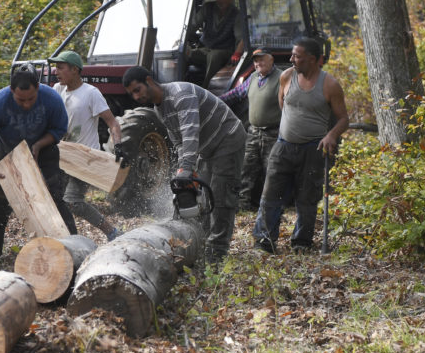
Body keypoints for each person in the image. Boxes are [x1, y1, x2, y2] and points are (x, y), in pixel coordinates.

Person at [122, 66, 246, 261]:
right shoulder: (160, 108)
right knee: (203, 197)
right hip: (206, 148)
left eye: (137, 90)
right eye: (132, 94)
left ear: (149, 80)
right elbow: (179, 142)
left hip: (227, 138)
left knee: (221, 196)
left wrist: (187, 168)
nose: (136, 97)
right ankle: (202, 242)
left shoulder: (181, 94)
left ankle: (217, 254)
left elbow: (190, 133)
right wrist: (184, 169)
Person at [252, 37, 349, 254]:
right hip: (283, 146)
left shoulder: (330, 85)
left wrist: (331, 135)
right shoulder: (287, 77)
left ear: (313, 60)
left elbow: (344, 119)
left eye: (297, 56)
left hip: (313, 149)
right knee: (270, 195)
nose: (291, 59)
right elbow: (282, 104)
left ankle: (301, 242)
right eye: (293, 55)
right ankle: (264, 241)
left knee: (307, 198)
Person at [0, 67, 78, 259]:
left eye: (31, 99)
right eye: (21, 100)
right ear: (12, 90)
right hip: (6, 151)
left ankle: (72, 249)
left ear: (38, 88)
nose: (26, 104)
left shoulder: (51, 99)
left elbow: (58, 130)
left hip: (44, 149)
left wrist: (39, 145)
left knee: (52, 198)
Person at [49, 50, 123, 240]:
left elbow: (112, 123)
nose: (56, 71)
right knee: (55, 199)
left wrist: (118, 146)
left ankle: (112, 232)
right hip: (63, 154)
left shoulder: (91, 93)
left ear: (75, 69)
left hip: (85, 158)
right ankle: (68, 237)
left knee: (73, 201)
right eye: (55, 67)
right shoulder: (58, 89)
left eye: (60, 67)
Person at [219, 47, 282, 211]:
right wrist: (214, 101)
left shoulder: (282, 78)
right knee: (246, 169)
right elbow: (234, 95)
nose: (258, 63)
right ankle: (242, 206)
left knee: (272, 171)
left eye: (262, 59)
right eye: (255, 60)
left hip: (274, 133)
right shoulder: (253, 78)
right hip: (253, 132)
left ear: (271, 60)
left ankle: (271, 208)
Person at [188, 0, 245, 89]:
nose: (220, 0)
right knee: (186, 53)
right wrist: (182, 39)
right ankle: (182, 84)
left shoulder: (236, 15)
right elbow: (193, 25)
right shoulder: (208, 8)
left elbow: (241, 38)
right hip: (206, 48)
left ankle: (206, 89)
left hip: (225, 50)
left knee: (214, 56)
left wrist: (237, 53)